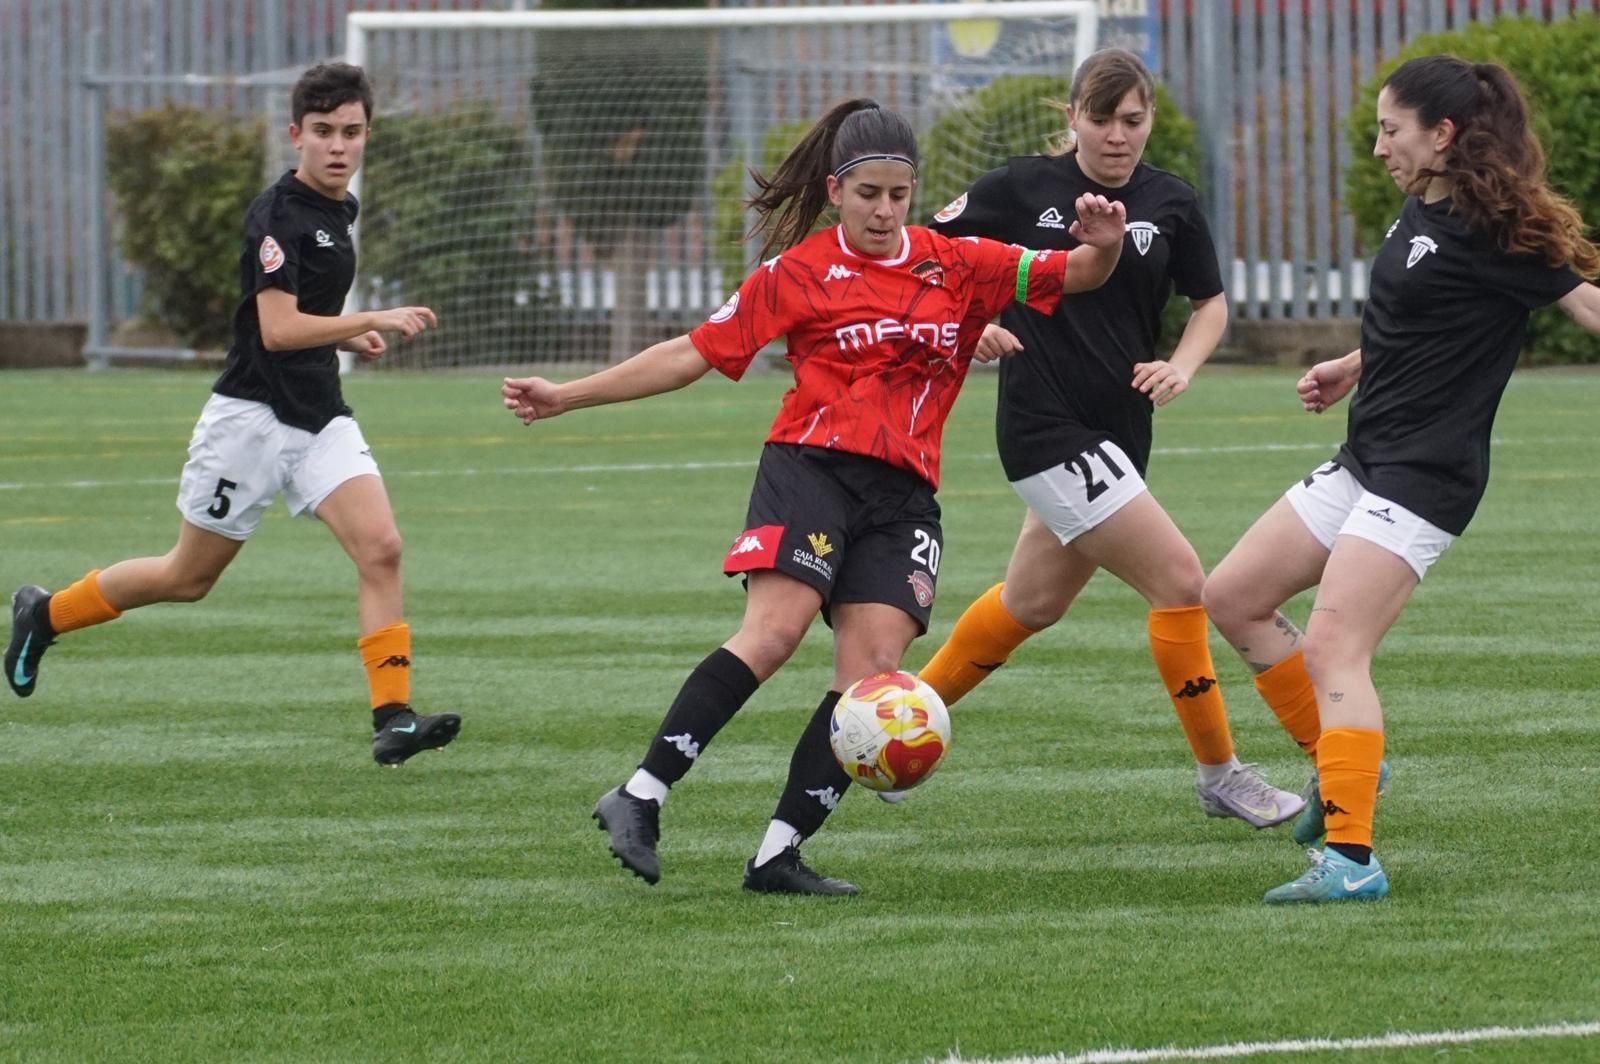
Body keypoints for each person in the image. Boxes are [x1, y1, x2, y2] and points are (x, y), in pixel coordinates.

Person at [502, 99, 1127, 894]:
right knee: (774, 633)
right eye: (868, 193)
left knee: (871, 675)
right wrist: (569, 396)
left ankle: (777, 855)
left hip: (903, 498)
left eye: (899, 194)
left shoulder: (960, 262)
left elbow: (1075, 272)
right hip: (812, 466)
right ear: (836, 190)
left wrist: (1101, 248)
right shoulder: (797, 273)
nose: (885, 210)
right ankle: (640, 793)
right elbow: (692, 354)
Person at [1202, 54, 1600, 903]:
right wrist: (1354, 362)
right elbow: (1422, 315)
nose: (1381, 145)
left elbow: (1585, 304)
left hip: (1428, 475)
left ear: (1442, 135)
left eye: (1391, 129)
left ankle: (1351, 862)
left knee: (1337, 647)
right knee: (1231, 594)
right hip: (1368, 454)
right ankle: (1344, 768)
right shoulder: (1423, 204)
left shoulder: (1501, 231)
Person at [4, 62, 461, 766]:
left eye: (352, 132)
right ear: (295, 136)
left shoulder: (341, 211)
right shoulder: (277, 216)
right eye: (323, 133)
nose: (338, 146)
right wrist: (367, 317)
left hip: (318, 417)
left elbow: (306, 317)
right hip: (249, 420)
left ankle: (393, 717)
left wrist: (348, 330)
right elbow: (276, 330)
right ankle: (45, 613)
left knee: (383, 548)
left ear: (368, 134)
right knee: (186, 577)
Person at [911, 48, 1303, 826]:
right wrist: (976, 321)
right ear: (1071, 119)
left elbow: (1210, 303)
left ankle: (896, 725)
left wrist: (1183, 364)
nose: (1119, 136)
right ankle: (1223, 772)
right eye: (1102, 119)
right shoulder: (1019, 187)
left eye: (1133, 119)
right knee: (1183, 583)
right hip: (1044, 430)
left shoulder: (1172, 201)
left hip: (1121, 434)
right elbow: (923, 259)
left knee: (1030, 603)